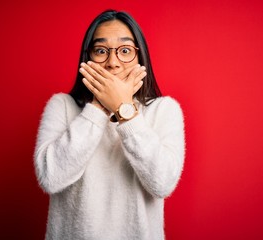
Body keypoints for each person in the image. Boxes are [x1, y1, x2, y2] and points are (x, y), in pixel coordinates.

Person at [34, 9, 185, 240]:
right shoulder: (62, 106)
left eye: (125, 50)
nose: (112, 63)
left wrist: (125, 111)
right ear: (88, 58)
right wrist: (99, 107)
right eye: (101, 51)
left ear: (140, 57)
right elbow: (50, 178)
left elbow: (162, 183)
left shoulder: (163, 110)